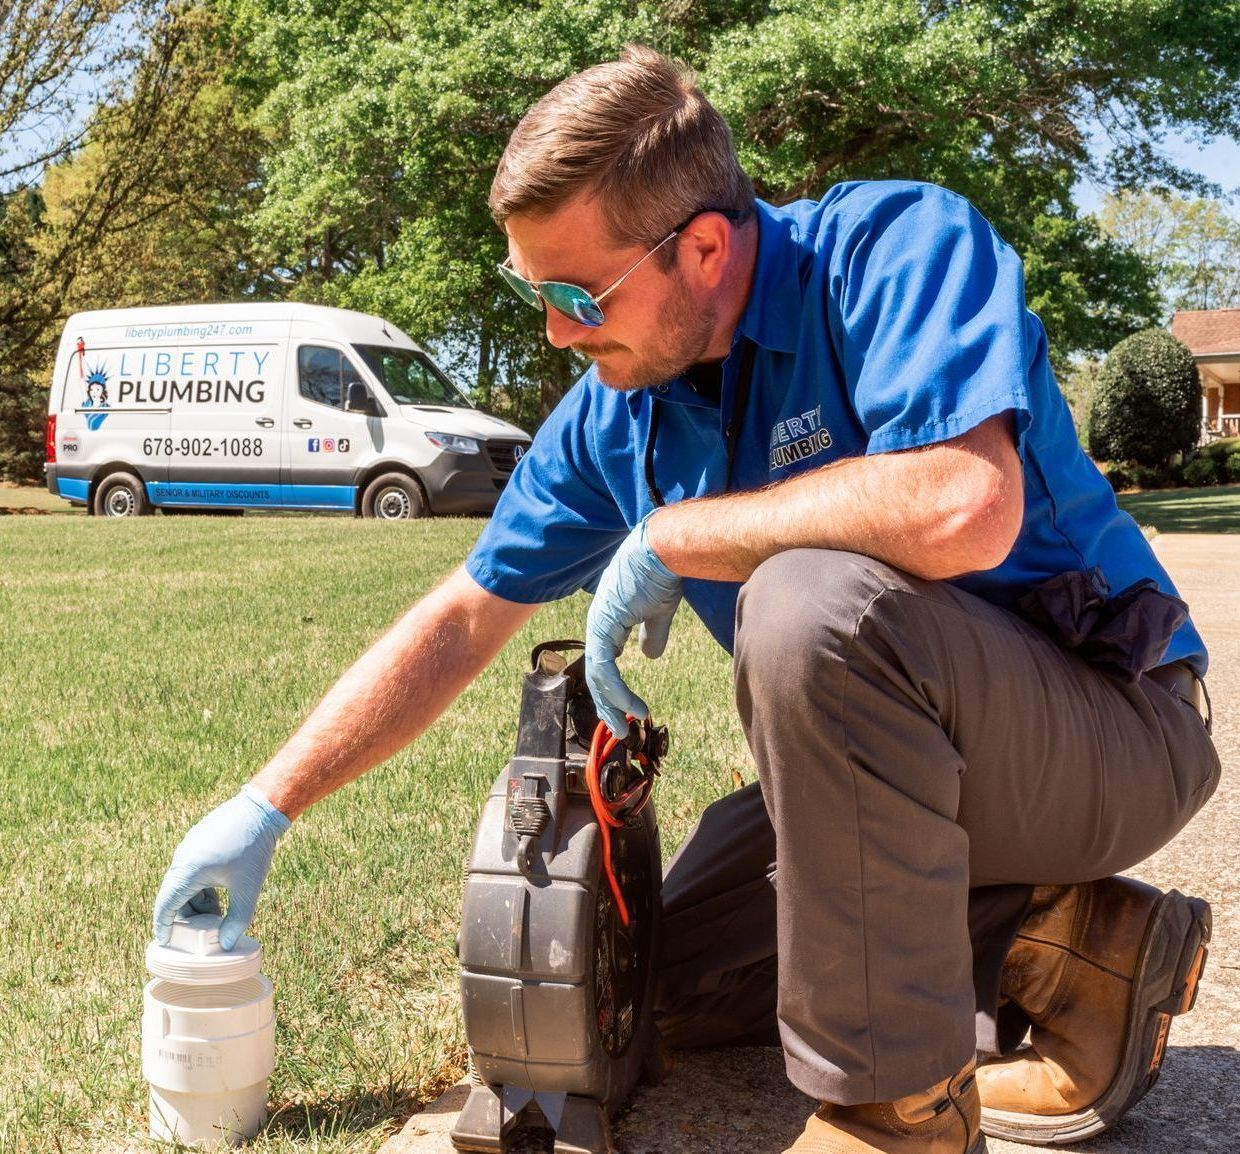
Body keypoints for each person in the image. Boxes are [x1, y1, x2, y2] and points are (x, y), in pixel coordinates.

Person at [153, 46, 1220, 1154]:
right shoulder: (612, 412)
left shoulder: (894, 249)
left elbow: (964, 503)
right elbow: (464, 614)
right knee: (644, 982)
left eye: (579, 294)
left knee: (807, 600)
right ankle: (1080, 942)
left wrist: (683, 531)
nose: (557, 332)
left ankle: (892, 1109)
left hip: (1114, 721)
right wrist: (265, 806)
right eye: (538, 295)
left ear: (703, 247)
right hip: (917, 769)